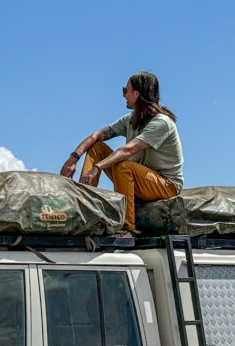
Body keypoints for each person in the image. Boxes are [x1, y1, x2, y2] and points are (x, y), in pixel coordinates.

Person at [60, 71, 183, 234]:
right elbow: (96, 136)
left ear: (136, 94)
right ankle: (85, 204)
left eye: (125, 90)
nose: (123, 95)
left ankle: (127, 227)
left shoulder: (161, 123)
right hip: (141, 179)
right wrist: (73, 158)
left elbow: (129, 149)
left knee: (124, 166)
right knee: (97, 147)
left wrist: (97, 167)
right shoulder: (131, 119)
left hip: (166, 184)